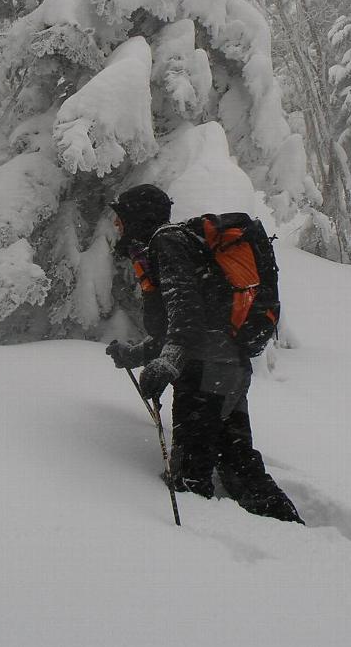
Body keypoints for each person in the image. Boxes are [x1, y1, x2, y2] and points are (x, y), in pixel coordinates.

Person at [106, 184, 303, 523]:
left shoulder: (165, 244)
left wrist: (167, 363)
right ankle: (292, 533)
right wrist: (135, 355)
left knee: (192, 473)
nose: (117, 226)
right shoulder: (176, 246)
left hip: (204, 375)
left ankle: (203, 552)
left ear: (138, 217)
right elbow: (181, 326)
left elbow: (187, 318)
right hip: (229, 368)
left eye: (120, 218)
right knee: (238, 462)